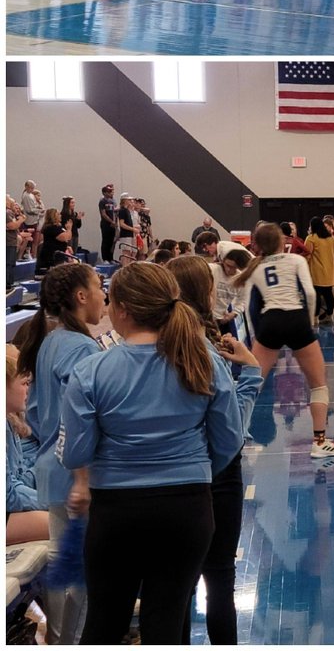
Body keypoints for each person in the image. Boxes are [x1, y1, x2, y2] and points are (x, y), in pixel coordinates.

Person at [59, 262, 245, 646]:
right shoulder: (203, 360)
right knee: (167, 621)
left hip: (117, 512)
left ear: (124, 309)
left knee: (105, 623)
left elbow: (75, 452)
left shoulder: (92, 370)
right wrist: (191, 467)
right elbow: (228, 441)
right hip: (187, 509)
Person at [164, 255, 263, 647]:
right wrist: (251, 372)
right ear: (203, 292)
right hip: (214, 475)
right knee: (219, 577)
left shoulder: (155, 350)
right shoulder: (204, 353)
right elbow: (231, 432)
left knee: (177, 584)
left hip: (172, 479)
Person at [18, 261, 106, 645]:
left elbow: (37, 414)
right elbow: (80, 413)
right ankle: (70, 641)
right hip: (75, 475)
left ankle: (61, 639)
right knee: (76, 575)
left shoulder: (49, 341)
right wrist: (82, 473)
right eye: (99, 286)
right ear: (81, 296)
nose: (105, 294)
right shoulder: (78, 346)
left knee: (66, 567)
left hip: (55, 470)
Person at [235, 223, 334, 457]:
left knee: (251, 384)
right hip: (296, 319)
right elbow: (309, 292)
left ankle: (234, 437)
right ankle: (319, 442)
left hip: (269, 322)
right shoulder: (296, 261)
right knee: (318, 385)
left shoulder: (255, 267)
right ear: (281, 242)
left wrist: (257, 335)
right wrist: (309, 323)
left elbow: (247, 308)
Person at [6, 351, 49, 545]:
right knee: (69, 523)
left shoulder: (7, 422)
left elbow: (18, 478)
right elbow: (10, 496)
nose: (28, 392)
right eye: (24, 384)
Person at [305, 216, 334, 323]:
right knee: (329, 294)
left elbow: (307, 255)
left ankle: (314, 318)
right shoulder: (332, 239)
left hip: (316, 273)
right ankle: (329, 314)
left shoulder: (311, 238)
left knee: (316, 296)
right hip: (329, 273)